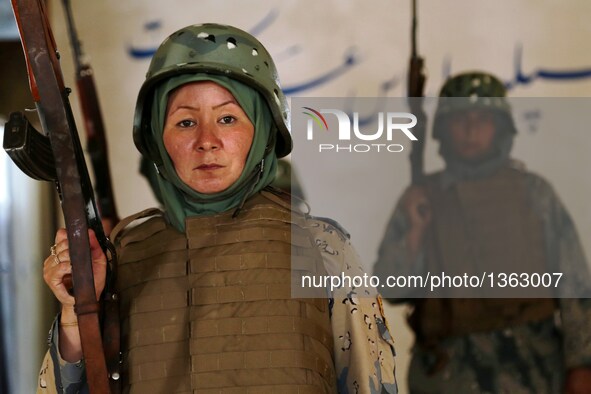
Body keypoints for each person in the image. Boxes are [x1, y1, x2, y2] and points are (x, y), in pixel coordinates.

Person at [38, 23, 397, 393]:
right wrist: (76, 307)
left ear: (262, 130)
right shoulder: (122, 255)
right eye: (185, 122)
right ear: (157, 138)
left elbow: (373, 383)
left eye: (227, 119)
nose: (206, 141)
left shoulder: (322, 248)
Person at [373, 71, 591, 393]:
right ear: (443, 129)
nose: (471, 130)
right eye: (460, 119)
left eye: (483, 119)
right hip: (449, 373)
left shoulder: (534, 193)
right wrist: (416, 230)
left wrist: (581, 365)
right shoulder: (422, 198)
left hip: (530, 369)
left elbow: (575, 287)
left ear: (501, 128)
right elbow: (391, 285)